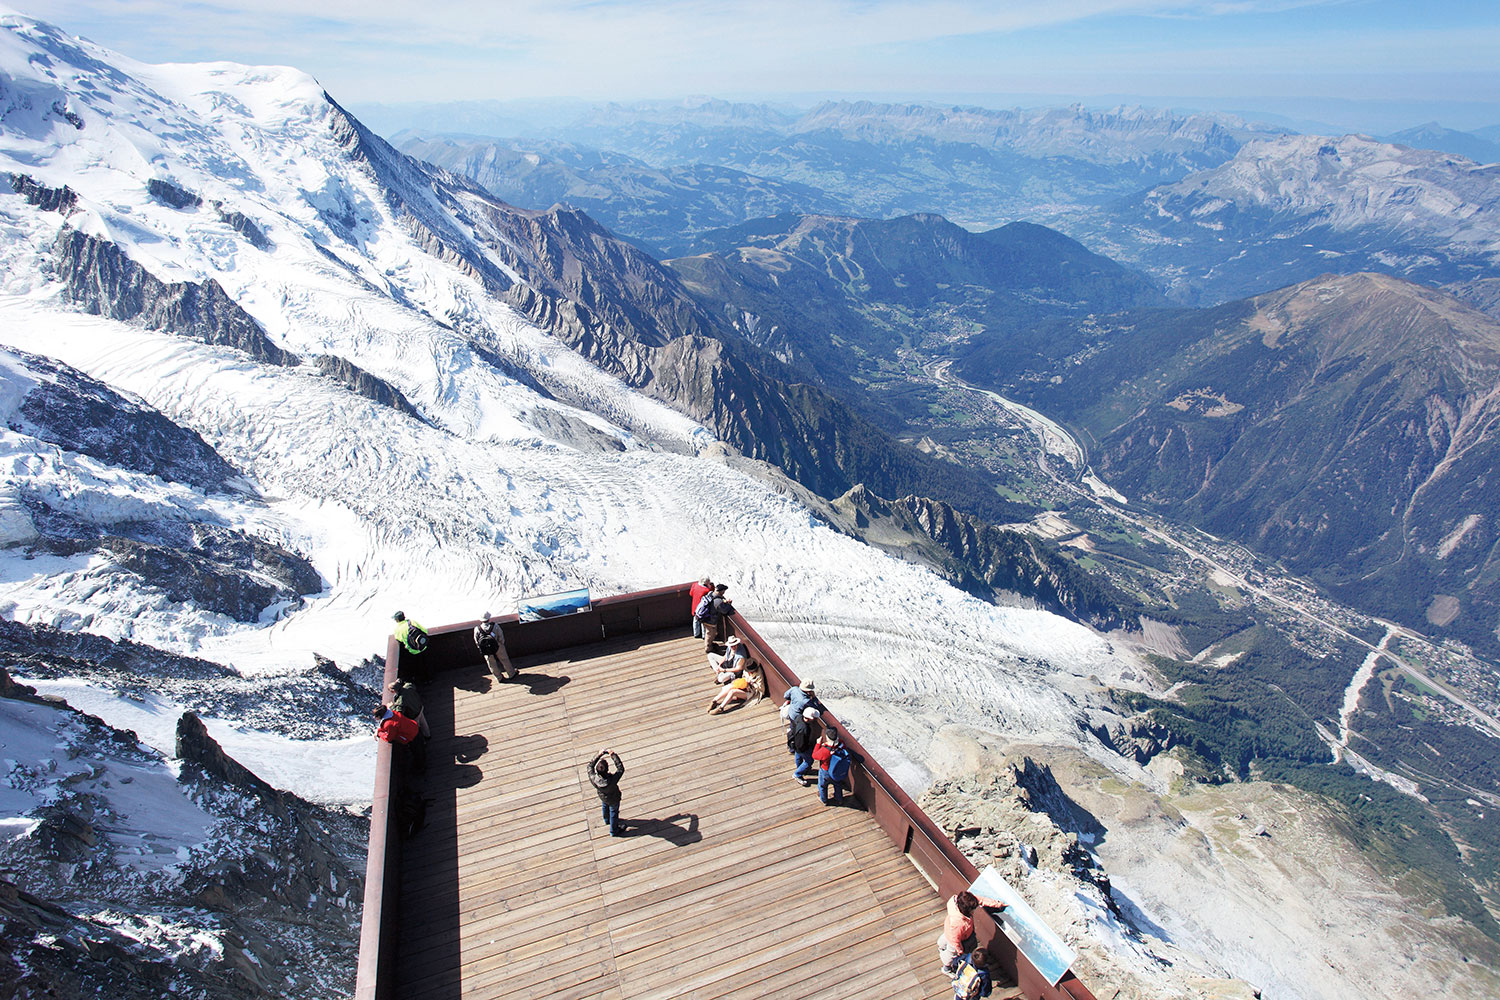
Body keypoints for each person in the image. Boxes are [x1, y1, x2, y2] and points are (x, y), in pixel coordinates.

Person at [937, 891, 1006, 972]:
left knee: (944, 941)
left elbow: (979, 900)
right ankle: (946, 968)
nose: (974, 911)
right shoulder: (959, 923)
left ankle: (941, 947)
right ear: (967, 910)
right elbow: (955, 940)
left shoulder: (958, 901)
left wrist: (997, 904)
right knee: (950, 956)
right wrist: (960, 951)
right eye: (973, 910)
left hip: (948, 930)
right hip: (959, 939)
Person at [373, 704, 426, 773]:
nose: (374, 718)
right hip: (414, 728)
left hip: (412, 736)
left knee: (418, 753)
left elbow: (389, 738)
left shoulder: (389, 724)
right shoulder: (393, 713)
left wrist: (379, 733)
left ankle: (420, 769)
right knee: (420, 749)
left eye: (375, 716)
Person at [589, 748, 625, 836]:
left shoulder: (594, 778)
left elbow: (590, 766)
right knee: (614, 812)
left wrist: (598, 755)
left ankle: (607, 820)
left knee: (605, 806)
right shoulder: (612, 780)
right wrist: (613, 755)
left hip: (602, 796)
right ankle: (614, 830)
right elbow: (620, 768)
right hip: (613, 798)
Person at [812, 727, 852, 806]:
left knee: (822, 785)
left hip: (826, 770)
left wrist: (818, 744)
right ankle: (839, 798)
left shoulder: (825, 750)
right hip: (836, 769)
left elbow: (815, 756)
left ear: (827, 737)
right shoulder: (841, 743)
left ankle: (823, 799)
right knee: (837, 784)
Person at [474, 611, 515, 682]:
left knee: (491, 663)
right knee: (504, 660)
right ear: (489, 618)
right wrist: (501, 644)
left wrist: (481, 648)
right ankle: (511, 673)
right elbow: (501, 636)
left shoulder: (477, 629)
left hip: (486, 648)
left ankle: (499, 677)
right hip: (497, 645)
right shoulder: (495, 626)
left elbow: (476, 640)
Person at [786, 706, 820, 786]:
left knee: (798, 757)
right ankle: (797, 774)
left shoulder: (799, 718)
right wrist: (805, 748)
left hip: (795, 744)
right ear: (809, 719)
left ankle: (800, 769)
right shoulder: (804, 729)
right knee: (809, 761)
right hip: (801, 747)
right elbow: (801, 743)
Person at [695, 583, 733, 653]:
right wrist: (729, 604)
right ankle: (708, 648)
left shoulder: (711, 594)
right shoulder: (717, 601)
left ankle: (710, 645)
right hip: (710, 621)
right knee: (710, 634)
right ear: (721, 591)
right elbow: (724, 611)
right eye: (724, 591)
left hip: (706, 618)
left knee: (709, 633)